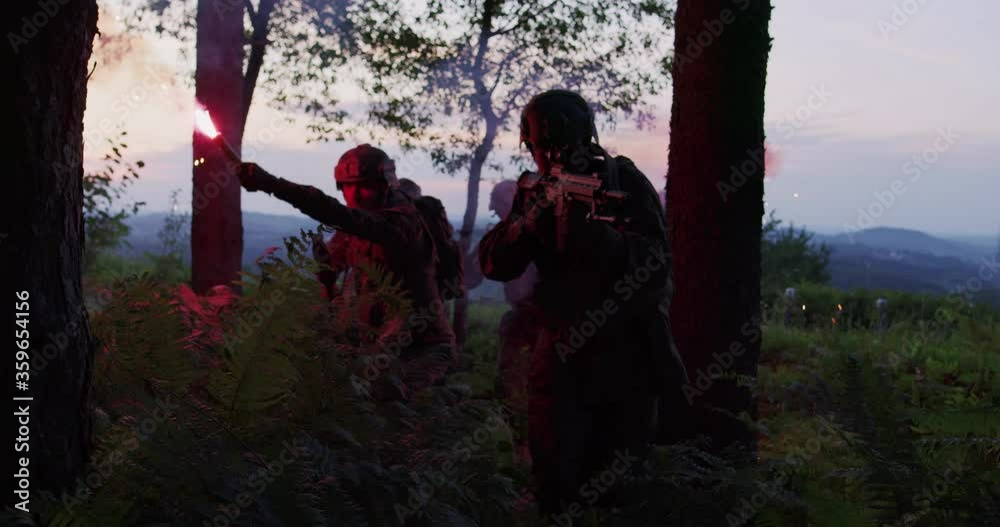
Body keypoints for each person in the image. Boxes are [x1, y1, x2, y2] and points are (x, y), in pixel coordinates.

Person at [477, 90, 690, 515]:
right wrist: (529, 225)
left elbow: (657, 267)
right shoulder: (535, 190)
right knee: (555, 484)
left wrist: (600, 238)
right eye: (542, 146)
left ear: (584, 138)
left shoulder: (623, 182)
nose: (551, 155)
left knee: (618, 493)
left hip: (625, 358)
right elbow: (494, 263)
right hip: (560, 357)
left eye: (561, 144)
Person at [236, 144, 456, 398]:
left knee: (389, 407)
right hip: (377, 345)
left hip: (421, 349)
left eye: (364, 186)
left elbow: (338, 214)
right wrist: (325, 270)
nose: (355, 195)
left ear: (384, 185)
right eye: (348, 187)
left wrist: (272, 184)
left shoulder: (405, 222)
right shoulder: (357, 225)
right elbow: (333, 267)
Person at [465, 180, 540, 460]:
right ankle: (521, 451)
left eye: (496, 202)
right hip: (523, 321)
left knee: (530, 391)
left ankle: (529, 453)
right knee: (512, 387)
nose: (492, 208)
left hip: (543, 323)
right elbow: (470, 276)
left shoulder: (537, 232)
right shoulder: (504, 235)